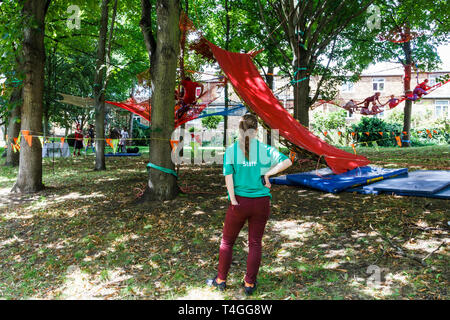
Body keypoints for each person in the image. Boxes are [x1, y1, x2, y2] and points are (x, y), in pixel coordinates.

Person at [206, 114, 293, 296]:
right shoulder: (265, 149)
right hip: (261, 204)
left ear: (240, 130)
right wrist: (268, 174)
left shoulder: (231, 150)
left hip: (239, 202)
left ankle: (221, 280)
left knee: (227, 242)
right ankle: (249, 284)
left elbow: (228, 179)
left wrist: (234, 201)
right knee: (255, 243)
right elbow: (287, 161)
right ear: (256, 131)